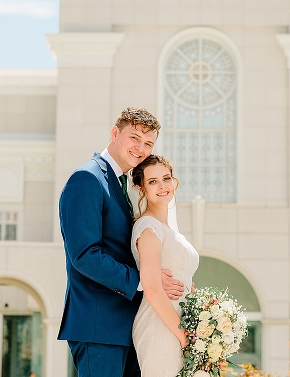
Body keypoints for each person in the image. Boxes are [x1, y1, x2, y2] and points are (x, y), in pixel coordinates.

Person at [57, 107, 185, 377]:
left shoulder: (124, 184)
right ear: (115, 133)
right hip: (99, 325)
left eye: (148, 143)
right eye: (134, 138)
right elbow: (85, 255)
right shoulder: (87, 179)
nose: (141, 148)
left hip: (130, 325)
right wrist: (146, 280)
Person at [130, 155, 199, 377]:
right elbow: (151, 288)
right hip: (161, 326)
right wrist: (183, 335)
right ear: (141, 188)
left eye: (166, 178)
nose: (162, 186)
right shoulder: (148, 227)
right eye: (152, 181)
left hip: (185, 325)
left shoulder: (171, 230)